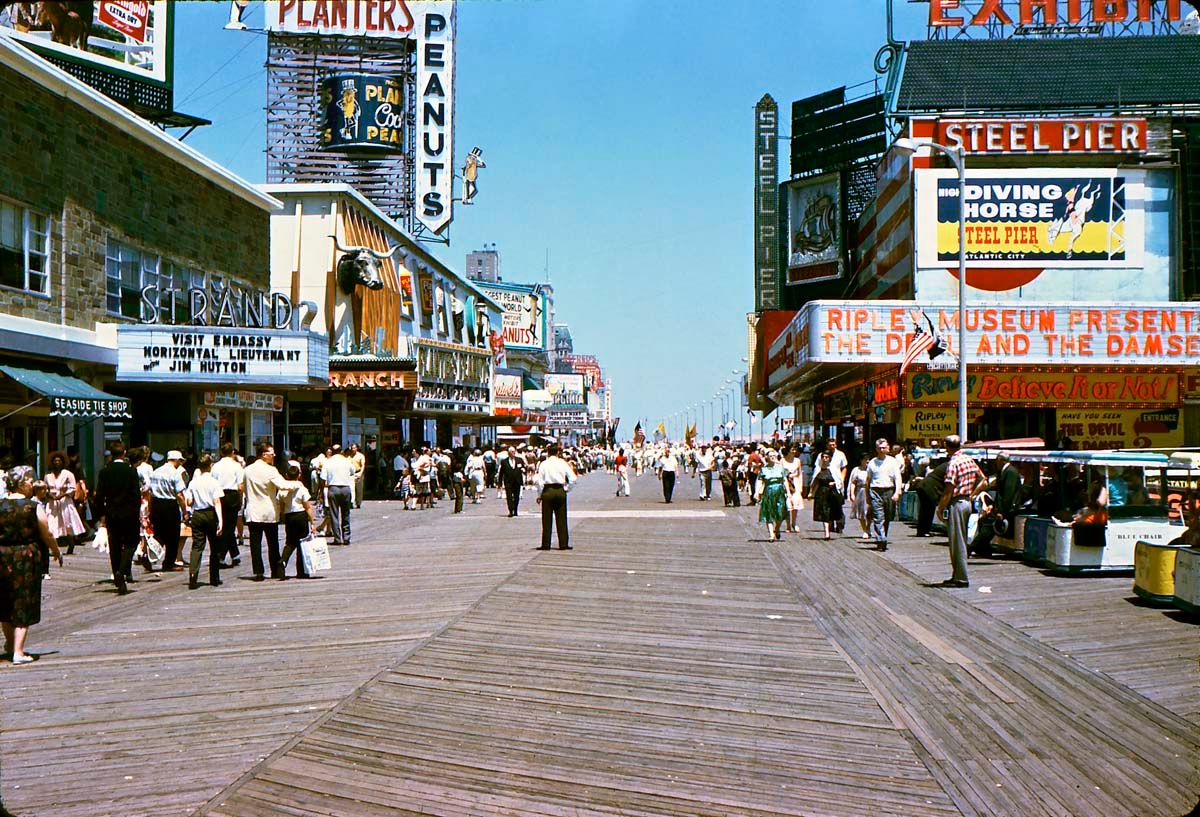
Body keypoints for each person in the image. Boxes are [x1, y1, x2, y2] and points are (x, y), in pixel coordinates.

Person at [0, 475, 61, 664]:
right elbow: (46, 532)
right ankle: (19, 651)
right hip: (25, 556)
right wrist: (55, 550)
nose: (31, 485)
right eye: (28, 481)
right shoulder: (32, 506)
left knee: (4, 599)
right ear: (20, 484)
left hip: (2, 555)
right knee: (24, 599)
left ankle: (10, 645)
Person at [936, 435, 986, 588]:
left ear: (947, 446)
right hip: (967, 502)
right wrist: (972, 495)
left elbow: (949, 489)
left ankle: (961, 577)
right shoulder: (968, 460)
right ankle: (957, 574)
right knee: (961, 539)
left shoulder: (953, 463)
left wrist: (940, 508)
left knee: (957, 541)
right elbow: (983, 479)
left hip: (957, 502)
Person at [93, 441, 142, 594]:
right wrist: (137, 512)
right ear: (124, 453)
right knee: (131, 542)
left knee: (114, 545)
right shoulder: (131, 471)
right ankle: (123, 569)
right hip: (128, 513)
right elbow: (136, 495)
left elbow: (99, 495)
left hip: (112, 513)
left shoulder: (104, 471)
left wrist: (100, 515)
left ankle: (117, 575)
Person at [243, 443, 292, 580]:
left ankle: (258, 572)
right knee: (273, 543)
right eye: (271, 453)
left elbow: (242, 487)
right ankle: (275, 570)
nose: (274, 455)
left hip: (253, 511)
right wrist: (296, 484)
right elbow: (283, 485)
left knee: (255, 544)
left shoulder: (247, 470)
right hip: (269, 511)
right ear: (264, 455)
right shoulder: (271, 470)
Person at [185, 455, 224, 589]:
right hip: (210, 513)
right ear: (210, 466)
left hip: (197, 514)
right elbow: (217, 502)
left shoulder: (193, 482)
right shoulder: (214, 482)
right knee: (215, 547)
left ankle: (193, 574)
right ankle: (214, 577)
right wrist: (220, 520)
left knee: (197, 546)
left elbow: (189, 501)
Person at [148, 450, 188, 572]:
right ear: (176, 460)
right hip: (170, 505)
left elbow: (149, 492)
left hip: (156, 503)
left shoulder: (156, 472)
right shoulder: (175, 474)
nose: (180, 463)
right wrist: (185, 511)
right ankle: (169, 563)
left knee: (158, 533)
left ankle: (147, 556)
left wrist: (150, 509)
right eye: (180, 461)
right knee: (173, 536)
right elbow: (180, 495)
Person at [44, 452, 86, 557]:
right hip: (52, 503)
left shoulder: (68, 474)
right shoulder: (48, 476)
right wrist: (50, 495)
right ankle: (53, 547)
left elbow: (72, 488)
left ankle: (71, 543)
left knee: (67, 523)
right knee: (51, 524)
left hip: (64, 502)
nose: (57, 463)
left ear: (63, 463)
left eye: (59, 461)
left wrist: (62, 495)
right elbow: (45, 488)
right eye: (55, 461)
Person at [279, 463, 316, 579]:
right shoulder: (301, 488)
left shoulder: (283, 490)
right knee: (302, 543)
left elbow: (281, 505)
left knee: (290, 542)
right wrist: (312, 522)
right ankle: (302, 571)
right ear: (299, 475)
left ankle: (283, 561)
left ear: (286, 475)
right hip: (300, 515)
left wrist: (283, 516)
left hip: (289, 516)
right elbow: (308, 507)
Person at [536, 444, 577, 550]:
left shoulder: (544, 464)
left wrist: (539, 495)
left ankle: (546, 544)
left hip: (548, 491)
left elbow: (540, 481)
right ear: (558, 452)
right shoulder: (562, 463)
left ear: (548, 452)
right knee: (562, 518)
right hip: (560, 490)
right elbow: (573, 478)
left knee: (546, 519)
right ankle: (563, 543)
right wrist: (567, 489)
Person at [867, 438, 903, 551]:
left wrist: (897, 492)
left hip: (889, 490)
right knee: (878, 517)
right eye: (879, 448)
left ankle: (883, 536)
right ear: (876, 449)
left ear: (888, 448)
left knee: (887, 516)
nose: (882, 450)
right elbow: (868, 480)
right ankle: (881, 539)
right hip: (875, 490)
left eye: (884, 447)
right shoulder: (872, 462)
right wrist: (867, 495)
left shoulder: (892, 461)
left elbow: (898, 478)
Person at [211, 443, 244, 567]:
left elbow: (213, 482)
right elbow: (240, 486)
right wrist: (240, 500)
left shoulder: (215, 466)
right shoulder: (237, 466)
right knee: (229, 527)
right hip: (232, 494)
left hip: (219, 494)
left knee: (223, 524)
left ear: (221, 452)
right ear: (233, 452)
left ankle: (235, 554)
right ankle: (221, 556)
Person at [321, 444, 356, 545]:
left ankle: (337, 538)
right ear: (341, 451)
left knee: (334, 514)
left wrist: (322, 492)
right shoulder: (346, 460)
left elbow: (323, 479)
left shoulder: (328, 462)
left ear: (331, 451)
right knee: (346, 514)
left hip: (333, 489)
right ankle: (346, 537)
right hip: (345, 488)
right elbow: (352, 471)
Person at [808, 451, 845, 540]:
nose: (824, 459)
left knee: (832, 512)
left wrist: (835, 483)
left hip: (832, 493)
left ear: (829, 459)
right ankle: (827, 533)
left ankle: (838, 525)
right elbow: (814, 482)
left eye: (826, 457)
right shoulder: (818, 469)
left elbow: (839, 480)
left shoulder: (833, 469)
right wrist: (810, 492)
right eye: (823, 457)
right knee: (824, 512)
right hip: (821, 493)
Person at [757, 450, 789, 541]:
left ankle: (777, 528)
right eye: (770, 456)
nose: (772, 457)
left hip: (779, 491)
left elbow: (784, 480)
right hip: (768, 491)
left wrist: (788, 492)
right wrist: (757, 492)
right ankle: (771, 534)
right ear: (766, 457)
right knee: (769, 512)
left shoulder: (780, 468)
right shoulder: (764, 469)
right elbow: (760, 481)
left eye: (774, 455)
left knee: (780, 512)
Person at [847, 454, 871, 540]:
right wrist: (852, 494)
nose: (867, 461)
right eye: (865, 459)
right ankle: (864, 530)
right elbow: (853, 482)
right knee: (861, 512)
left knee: (870, 512)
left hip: (870, 491)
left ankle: (868, 527)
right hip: (861, 491)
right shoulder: (857, 470)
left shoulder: (871, 469)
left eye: (868, 460)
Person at [781, 447, 804, 532]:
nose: (794, 451)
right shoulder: (782, 461)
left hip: (795, 483)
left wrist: (801, 486)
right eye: (792, 450)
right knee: (787, 504)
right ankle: (788, 525)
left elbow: (800, 473)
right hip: (786, 483)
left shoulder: (797, 460)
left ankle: (794, 523)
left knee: (795, 504)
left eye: (795, 449)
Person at [499, 447, 524, 517]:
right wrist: (500, 482)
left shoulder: (519, 460)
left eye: (514, 451)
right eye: (511, 452)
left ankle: (515, 509)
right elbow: (501, 473)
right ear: (508, 453)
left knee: (517, 497)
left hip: (517, 481)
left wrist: (523, 470)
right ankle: (510, 510)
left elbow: (523, 468)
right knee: (509, 497)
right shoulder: (504, 461)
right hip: (508, 482)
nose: (513, 453)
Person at [349, 442, 367, 509]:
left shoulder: (360, 456)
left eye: (354, 448)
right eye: (352, 448)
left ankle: (358, 502)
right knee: (351, 489)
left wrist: (360, 473)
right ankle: (351, 502)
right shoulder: (349, 456)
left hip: (358, 472)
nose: (353, 449)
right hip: (350, 474)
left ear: (357, 448)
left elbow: (363, 465)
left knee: (358, 488)